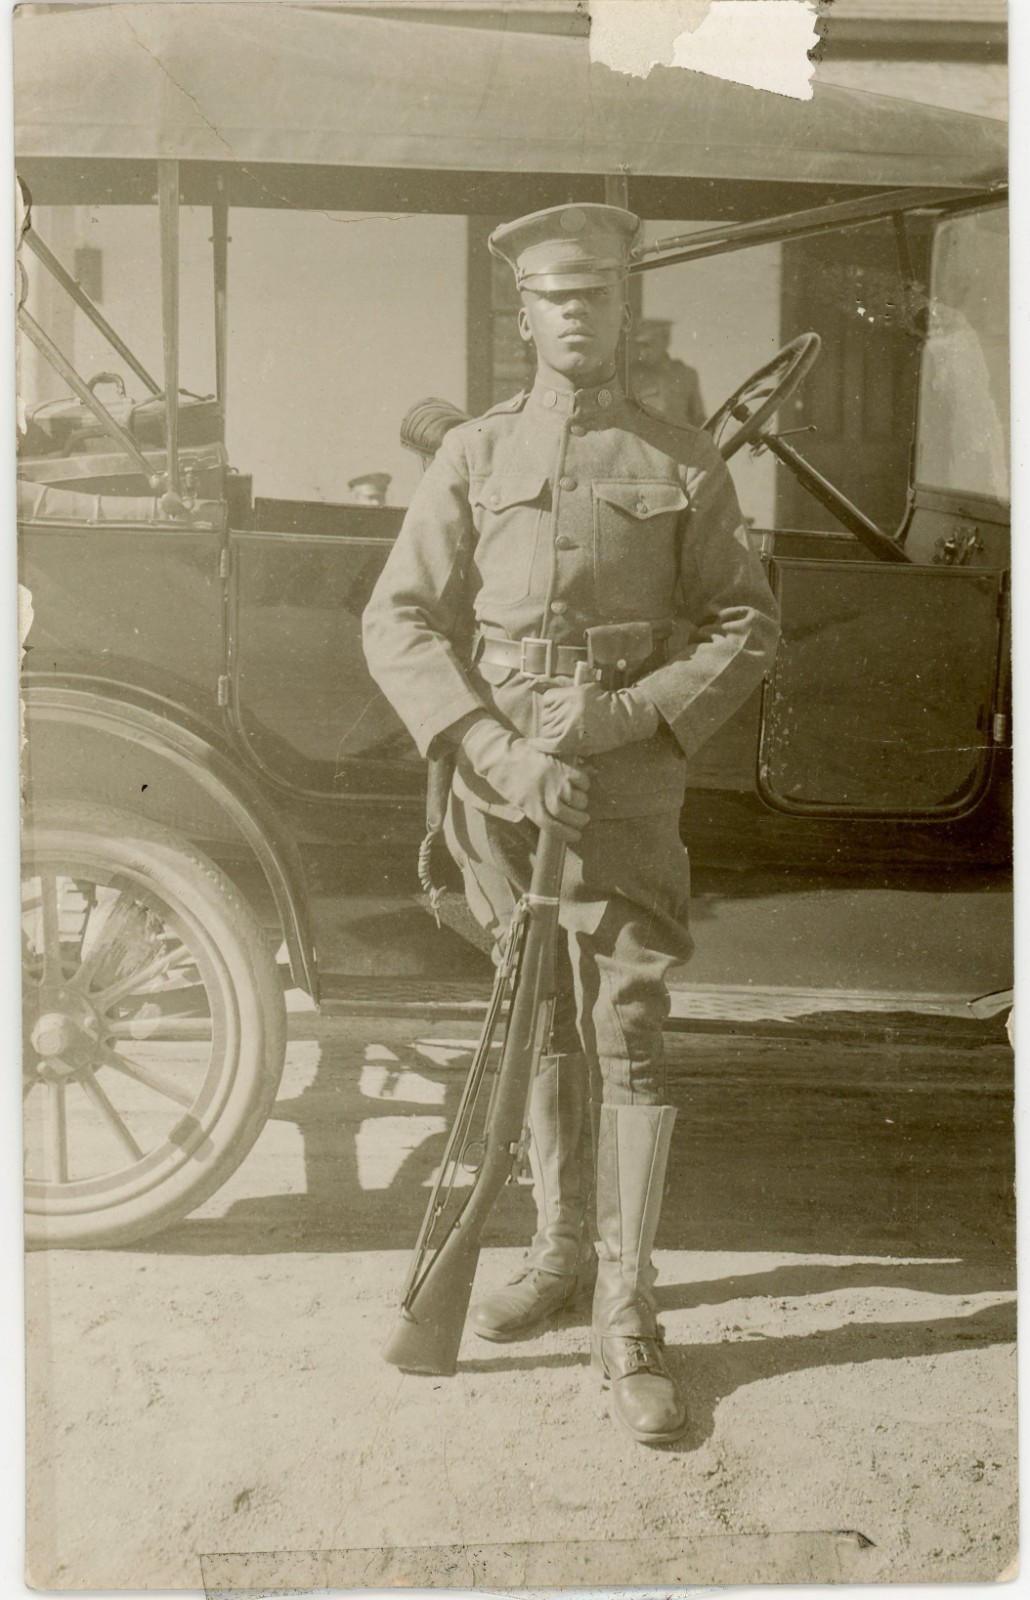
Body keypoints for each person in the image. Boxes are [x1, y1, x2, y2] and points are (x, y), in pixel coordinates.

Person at [363, 204, 779, 1445]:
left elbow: (745, 624)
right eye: (554, 296)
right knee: (535, 1011)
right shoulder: (475, 454)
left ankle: (628, 1310)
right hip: (502, 796)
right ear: (524, 315)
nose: (576, 313)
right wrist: (493, 749)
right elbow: (398, 619)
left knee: (628, 1029)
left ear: (623, 307)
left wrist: (627, 718)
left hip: (625, 793)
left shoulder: (683, 459)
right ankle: (556, 1254)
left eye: (596, 292)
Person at [630, 317, 706, 428]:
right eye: (640, 346)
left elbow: (699, 420)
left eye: (648, 345)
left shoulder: (686, 375)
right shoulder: (631, 376)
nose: (643, 352)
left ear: (665, 340)